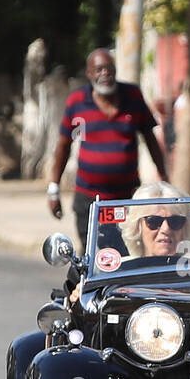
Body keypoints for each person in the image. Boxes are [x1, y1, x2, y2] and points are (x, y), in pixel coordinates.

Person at [48, 48, 169, 251]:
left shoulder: (132, 96)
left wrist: (164, 178)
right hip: (89, 200)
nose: (105, 73)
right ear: (89, 74)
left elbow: (150, 139)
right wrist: (54, 189)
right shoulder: (77, 102)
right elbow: (63, 146)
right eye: (99, 69)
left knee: (126, 257)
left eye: (109, 68)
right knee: (91, 260)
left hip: (126, 200)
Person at [120, 181, 190, 257]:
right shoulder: (125, 269)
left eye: (175, 221)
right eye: (154, 221)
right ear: (137, 227)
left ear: (185, 229)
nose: (166, 229)